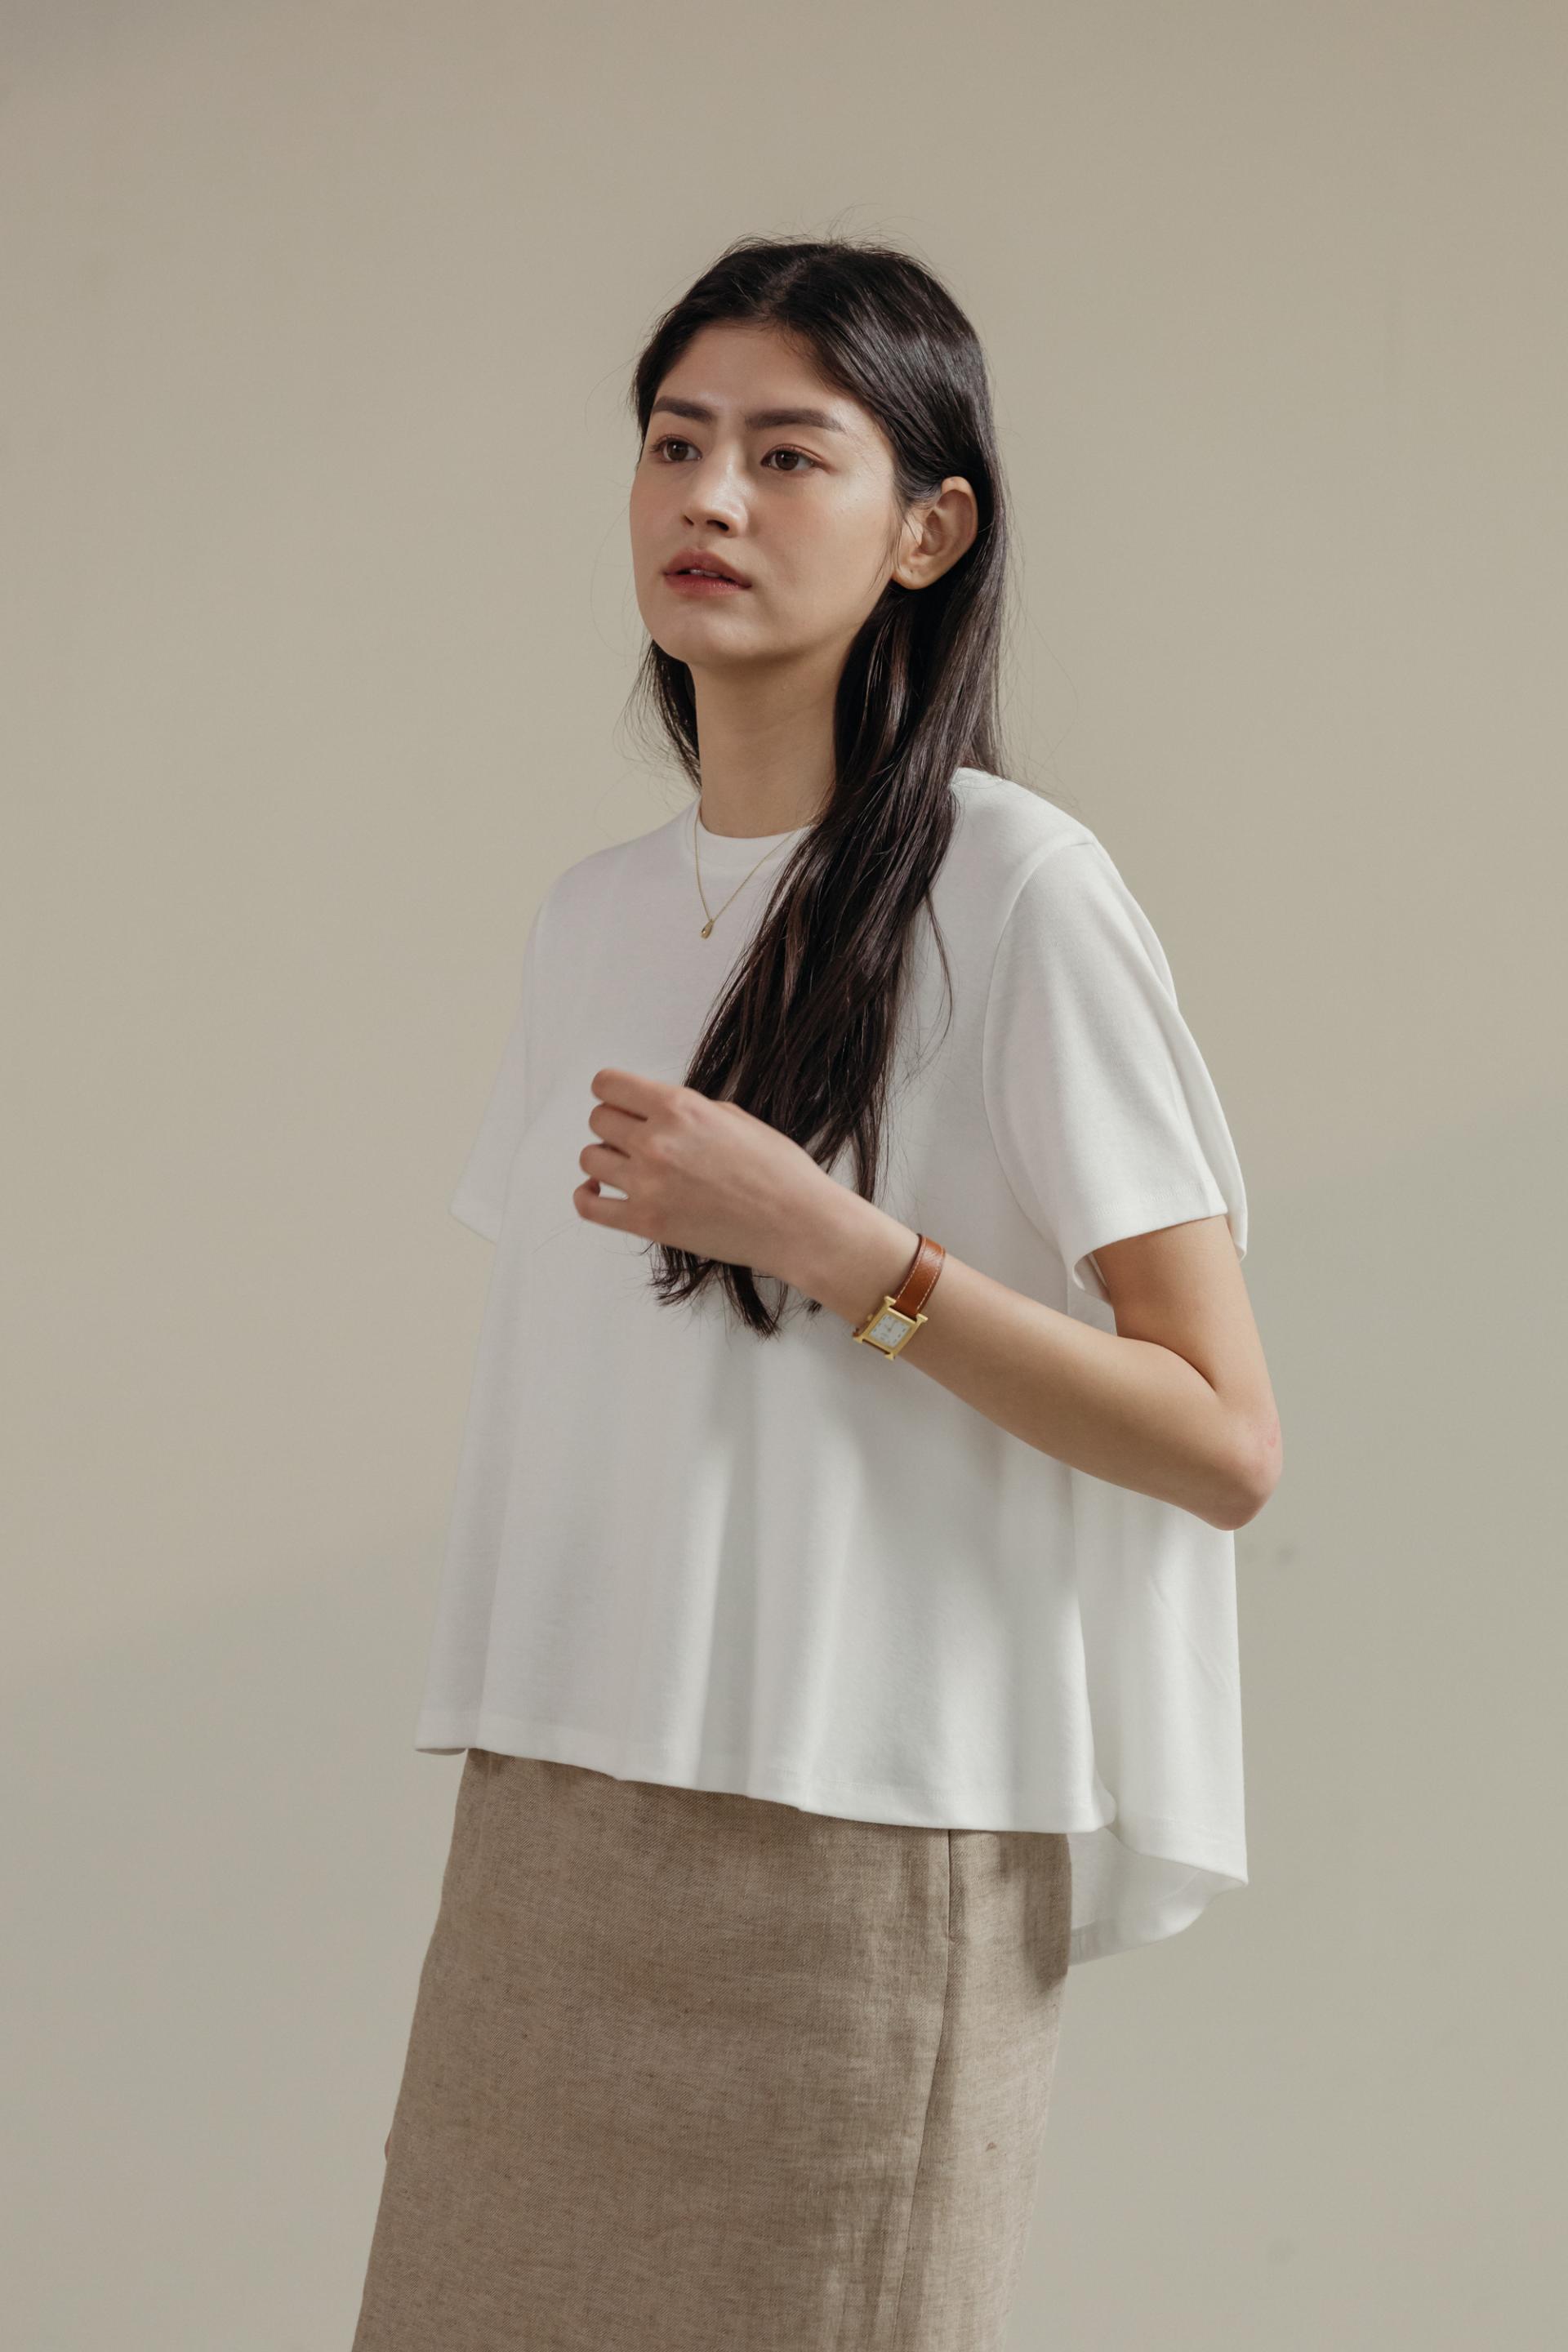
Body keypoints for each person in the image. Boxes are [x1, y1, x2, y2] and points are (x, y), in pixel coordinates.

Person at [351, 233, 1281, 2352]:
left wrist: (849, 1253)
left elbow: (1225, 1439)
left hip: (874, 1854)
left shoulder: (1019, 892)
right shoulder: (591, 918)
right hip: (563, 1832)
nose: (711, 497)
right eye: (676, 443)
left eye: (789, 455)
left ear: (928, 530)